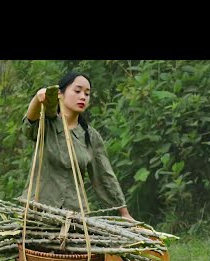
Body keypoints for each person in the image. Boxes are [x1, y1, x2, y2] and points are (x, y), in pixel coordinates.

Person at [21, 71, 133, 219]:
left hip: (74, 215)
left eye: (87, 94)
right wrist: (37, 98)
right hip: (39, 211)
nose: (83, 97)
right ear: (60, 94)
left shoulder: (90, 136)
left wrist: (124, 213)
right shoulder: (47, 124)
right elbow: (29, 124)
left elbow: (105, 176)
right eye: (77, 91)